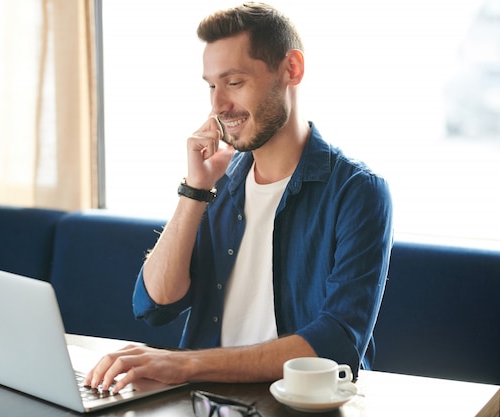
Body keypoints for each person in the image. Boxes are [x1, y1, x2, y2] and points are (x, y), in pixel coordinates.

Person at [85, 2, 393, 393]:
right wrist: (194, 190)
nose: (217, 105)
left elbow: (336, 343)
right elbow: (155, 303)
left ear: (291, 70)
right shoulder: (221, 184)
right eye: (211, 85)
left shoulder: (357, 191)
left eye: (233, 82)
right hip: (205, 400)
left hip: (295, 405)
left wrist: (184, 363)